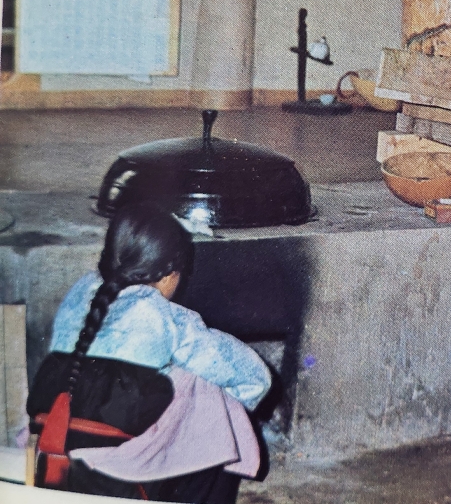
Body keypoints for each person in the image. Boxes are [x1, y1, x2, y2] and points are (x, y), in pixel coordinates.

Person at [26, 202, 272, 502]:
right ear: (169, 275)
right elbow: (255, 377)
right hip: (122, 470)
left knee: (168, 384)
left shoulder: (79, 293)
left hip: (54, 453)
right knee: (210, 395)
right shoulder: (163, 316)